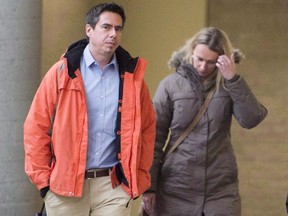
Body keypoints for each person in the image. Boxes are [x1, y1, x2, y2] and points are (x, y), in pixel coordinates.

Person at [24, 3, 156, 216]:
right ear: (89, 30)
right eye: (106, 27)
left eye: (118, 28)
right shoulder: (62, 72)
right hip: (65, 188)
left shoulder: (133, 77)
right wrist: (44, 182)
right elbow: (35, 127)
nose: (113, 34)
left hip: (113, 187)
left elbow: (148, 128)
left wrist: (138, 176)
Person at [141, 27, 267, 216]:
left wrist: (233, 78)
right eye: (199, 59)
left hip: (220, 191)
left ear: (222, 59)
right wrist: (149, 187)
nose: (202, 67)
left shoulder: (228, 85)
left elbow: (251, 119)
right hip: (175, 187)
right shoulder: (171, 84)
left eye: (211, 62)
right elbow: (154, 136)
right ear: (191, 51)